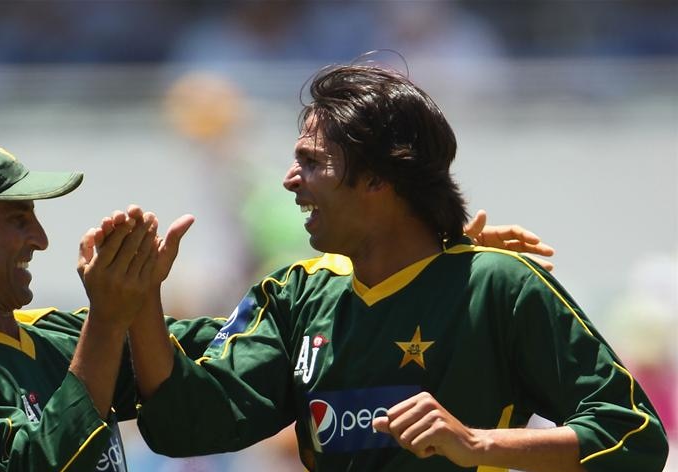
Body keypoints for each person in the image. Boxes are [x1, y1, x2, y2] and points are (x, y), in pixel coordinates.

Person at [120, 64, 669, 472]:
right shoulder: (295, 296)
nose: (290, 180)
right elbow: (182, 425)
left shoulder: (500, 285)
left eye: (312, 163)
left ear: (380, 179)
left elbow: (635, 438)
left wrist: (476, 443)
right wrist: (142, 299)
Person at [0, 138, 223, 472]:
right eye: (18, 220)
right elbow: (36, 462)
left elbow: (220, 351)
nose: (41, 240)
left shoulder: (56, 332)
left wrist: (142, 291)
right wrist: (107, 318)